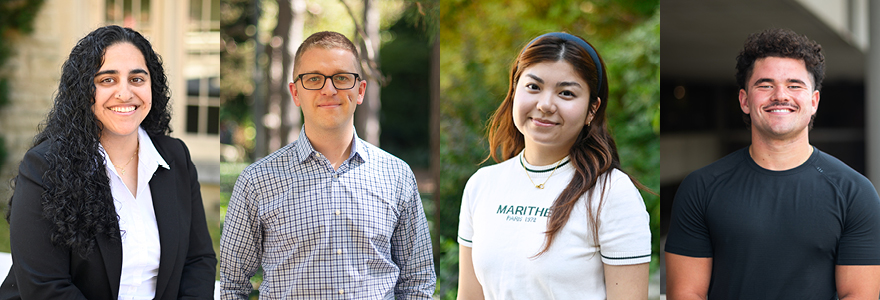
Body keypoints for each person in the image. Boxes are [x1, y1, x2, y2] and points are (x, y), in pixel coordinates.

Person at [0, 25, 217, 299]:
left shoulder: (175, 158)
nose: (125, 93)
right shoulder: (44, 166)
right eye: (107, 80)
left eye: (137, 79)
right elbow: (46, 287)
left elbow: (198, 261)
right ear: (83, 90)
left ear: (153, 86)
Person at [665, 28, 880, 299]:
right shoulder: (701, 187)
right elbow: (686, 294)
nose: (780, 95)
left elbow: (859, 295)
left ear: (813, 102)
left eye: (794, 85)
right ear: (744, 100)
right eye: (765, 85)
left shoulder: (855, 193)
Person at [219, 31, 435, 299]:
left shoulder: (397, 175)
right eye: (314, 79)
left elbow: (418, 280)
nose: (329, 89)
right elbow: (232, 284)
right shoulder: (257, 181)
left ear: (360, 91)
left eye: (342, 78)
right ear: (295, 93)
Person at [456, 32, 652, 300]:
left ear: (592, 110)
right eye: (534, 87)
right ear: (514, 92)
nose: (546, 105)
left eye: (566, 93)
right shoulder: (482, 184)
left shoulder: (612, 192)